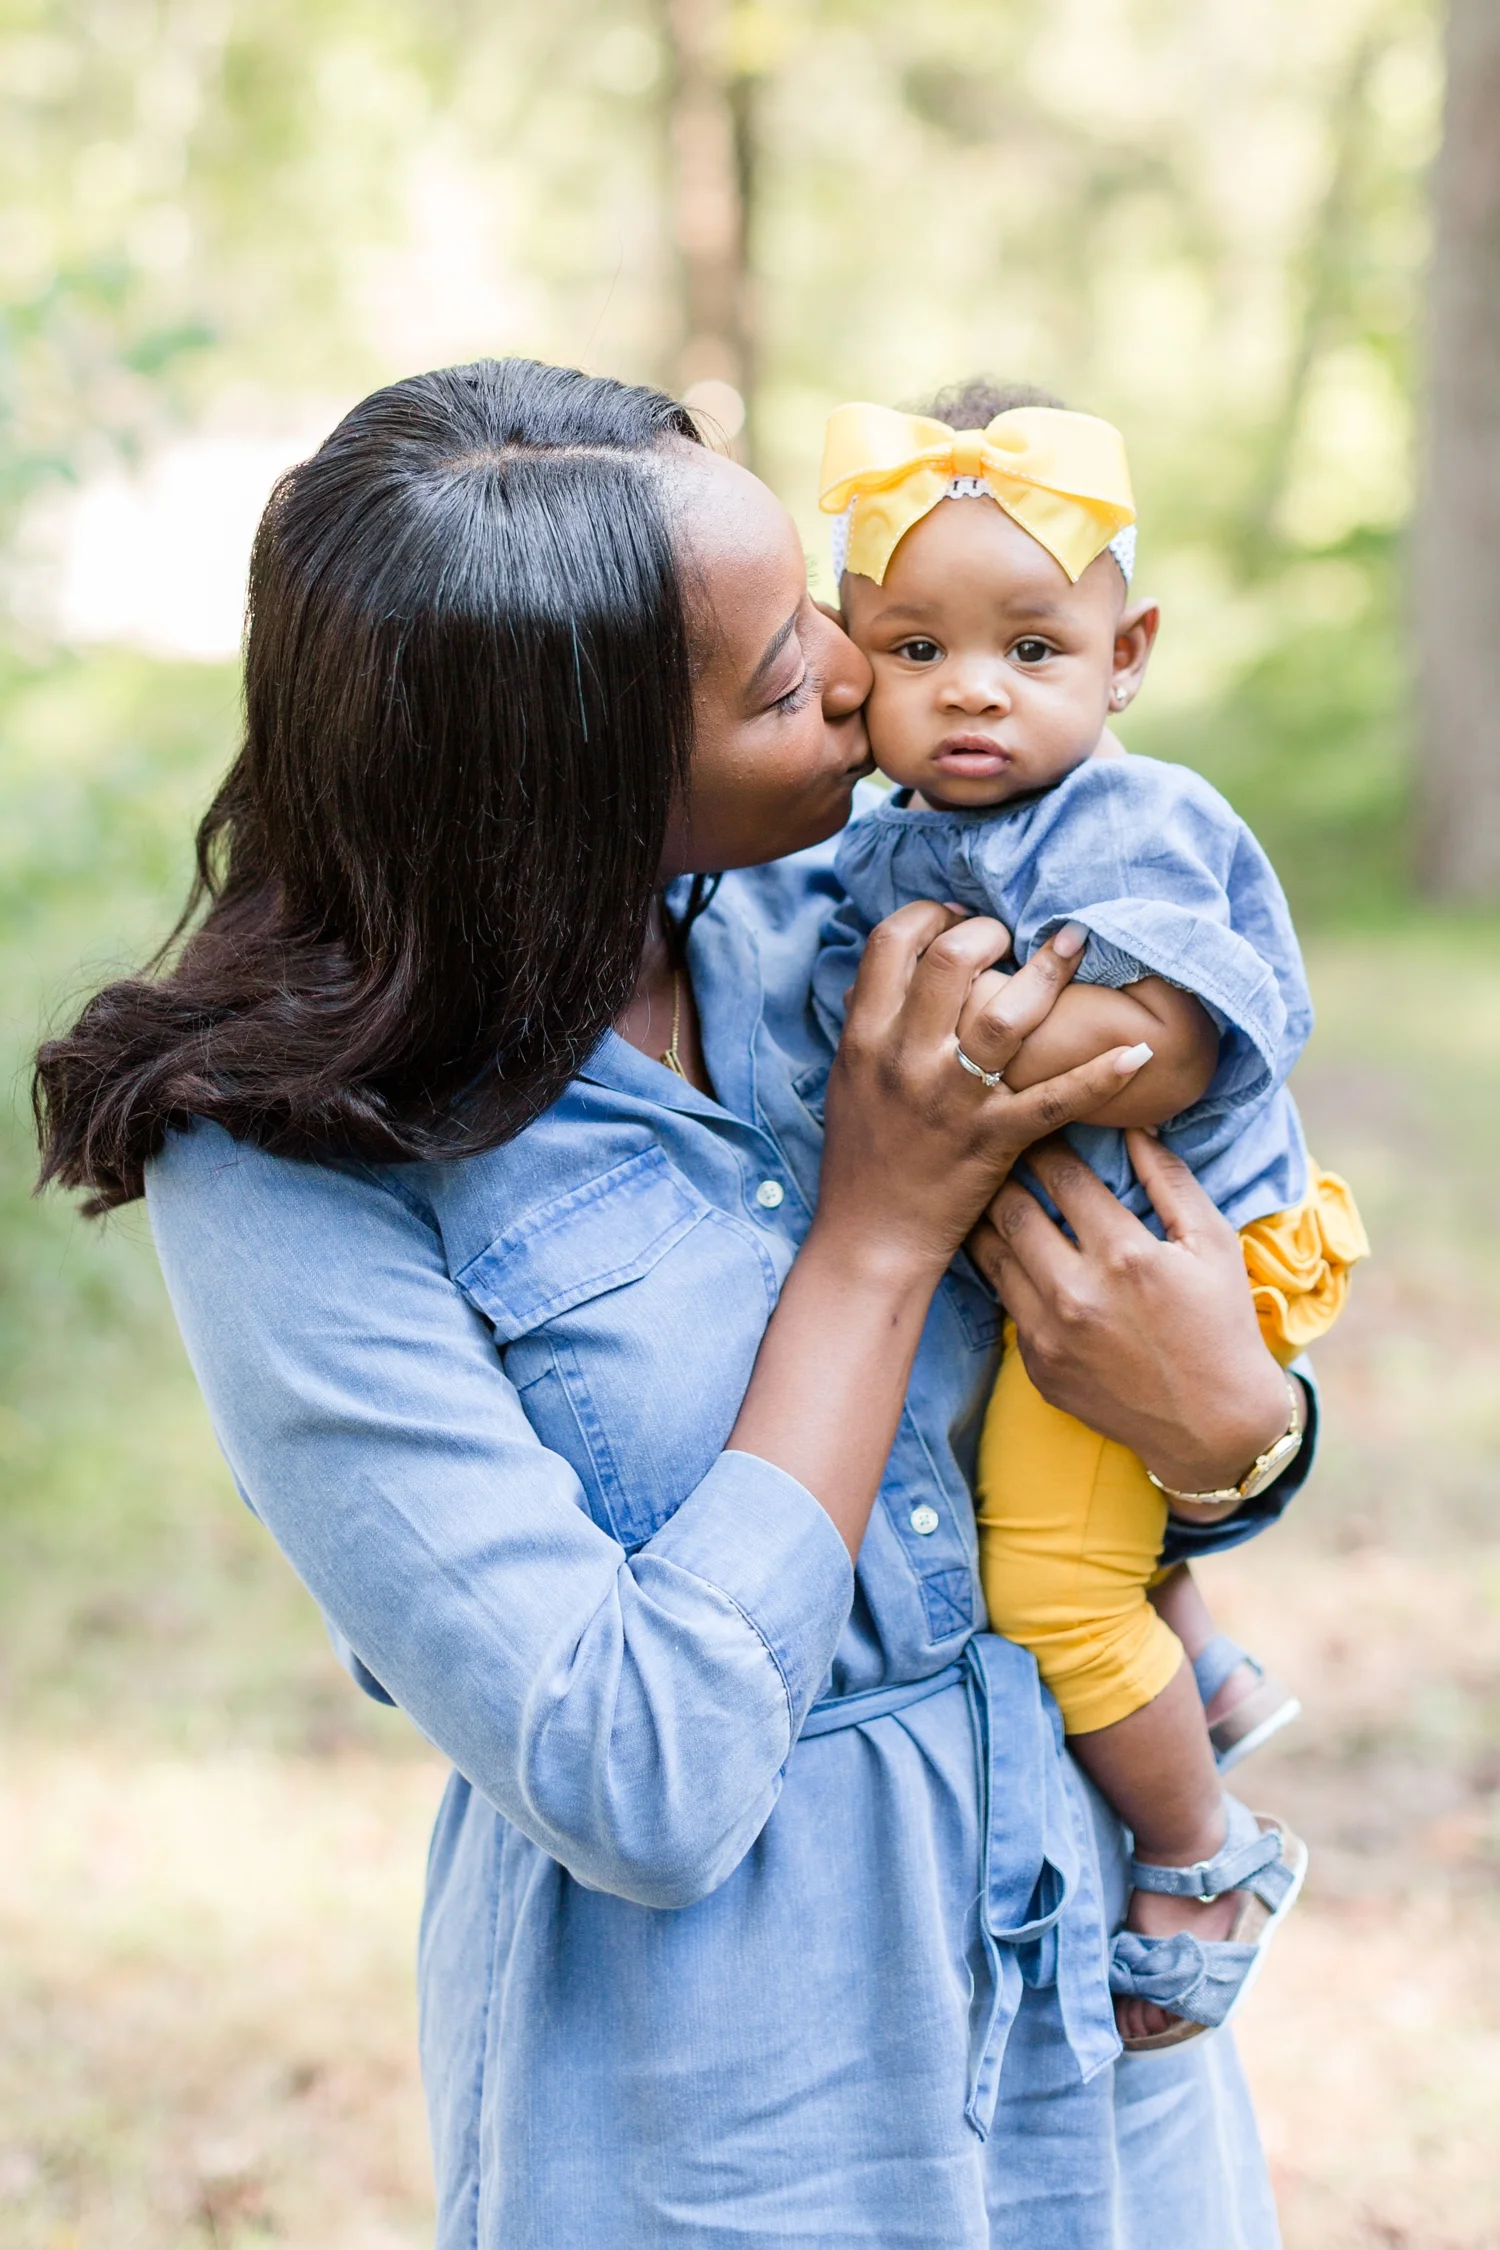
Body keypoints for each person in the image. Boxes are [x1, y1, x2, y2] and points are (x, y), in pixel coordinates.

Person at [35, 357, 1317, 2247]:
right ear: (566, 796)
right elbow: (629, 1768)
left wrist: (1243, 1440)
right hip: (736, 2102)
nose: (868, 671)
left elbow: (1145, 1391)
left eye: (824, 600)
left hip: (1089, 2027)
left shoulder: (860, 924)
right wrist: (873, 1241)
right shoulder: (291, 1172)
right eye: (794, 677)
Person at [816, 376, 1368, 2049]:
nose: (971, 691)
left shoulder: (1125, 816)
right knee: (1015, 1458)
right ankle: (1200, 1658)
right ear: (850, 658)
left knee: (1049, 1586)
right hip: (1050, 1263)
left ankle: (1207, 1855)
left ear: (1125, 661)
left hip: (1158, 1262)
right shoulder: (897, 833)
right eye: (915, 650)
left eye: (1032, 650)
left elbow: (1152, 1040)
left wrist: (925, 1043)